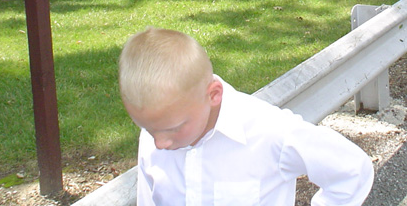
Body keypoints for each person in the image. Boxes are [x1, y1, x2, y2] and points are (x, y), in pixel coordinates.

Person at [119, 28, 374, 205]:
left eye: (174, 128)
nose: (159, 143)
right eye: (148, 129)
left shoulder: (268, 131)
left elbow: (352, 170)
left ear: (213, 95)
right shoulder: (158, 130)